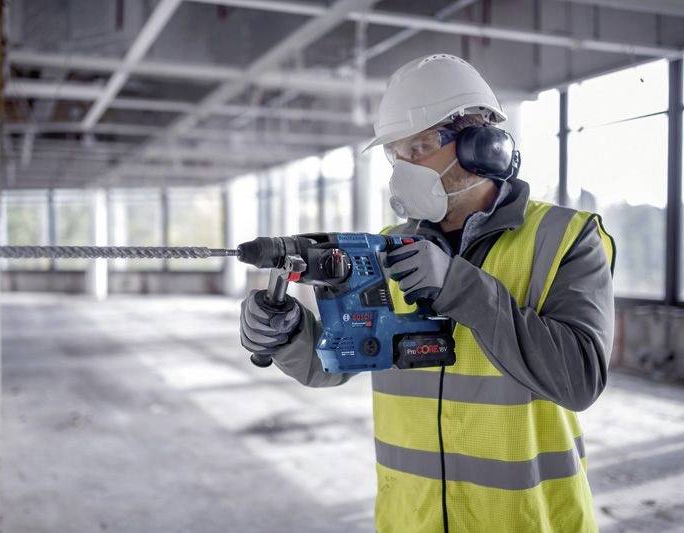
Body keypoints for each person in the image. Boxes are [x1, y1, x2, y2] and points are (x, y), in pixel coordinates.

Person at [239, 53, 615, 532]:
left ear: (481, 145)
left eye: (418, 148)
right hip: (411, 520)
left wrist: (458, 286)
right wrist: (289, 334)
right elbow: (341, 358)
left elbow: (579, 379)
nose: (403, 167)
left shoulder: (565, 238)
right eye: (395, 154)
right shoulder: (387, 245)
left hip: (526, 521)